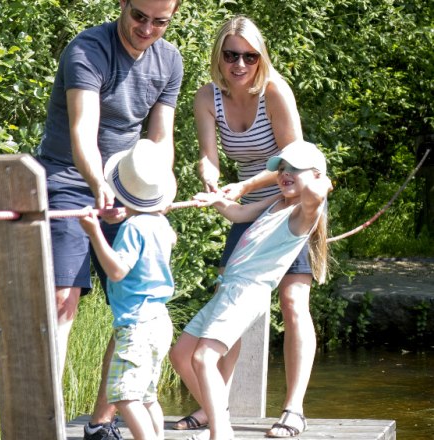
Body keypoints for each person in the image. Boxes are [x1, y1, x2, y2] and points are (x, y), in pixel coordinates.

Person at [35, 1, 183, 438]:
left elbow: (160, 139)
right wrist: (98, 183)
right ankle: (48, 422)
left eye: (160, 22)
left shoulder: (169, 59)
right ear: (122, 5)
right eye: (140, 17)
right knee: (64, 300)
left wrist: (154, 195)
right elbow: (83, 130)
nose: (147, 29)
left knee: (137, 305)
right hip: (69, 176)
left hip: (130, 182)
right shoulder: (87, 50)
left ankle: (102, 423)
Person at [167, 16, 315, 438]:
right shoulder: (206, 97)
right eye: (231, 55)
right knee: (227, 300)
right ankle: (218, 404)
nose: (239, 64)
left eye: (249, 56)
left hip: (290, 199)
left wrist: (247, 184)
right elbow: (209, 156)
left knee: (292, 300)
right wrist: (210, 178)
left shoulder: (274, 91)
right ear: (219, 56)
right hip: (247, 203)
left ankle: (293, 409)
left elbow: (296, 160)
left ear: (259, 58)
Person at [173, 140, 332, 440]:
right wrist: (217, 201)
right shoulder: (277, 201)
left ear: (313, 175)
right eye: (282, 169)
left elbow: (314, 193)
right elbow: (238, 215)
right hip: (228, 288)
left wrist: (321, 179)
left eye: (294, 170)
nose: (285, 174)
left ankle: (221, 433)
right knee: (181, 355)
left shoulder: (302, 214)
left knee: (204, 358)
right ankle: (217, 410)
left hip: (247, 292)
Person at [79, 139, 178, 440]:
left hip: (136, 324)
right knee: (148, 397)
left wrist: (95, 233)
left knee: (123, 396)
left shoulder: (132, 229)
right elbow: (156, 229)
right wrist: (132, 213)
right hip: (160, 321)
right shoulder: (160, 224)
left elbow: (117, 270)